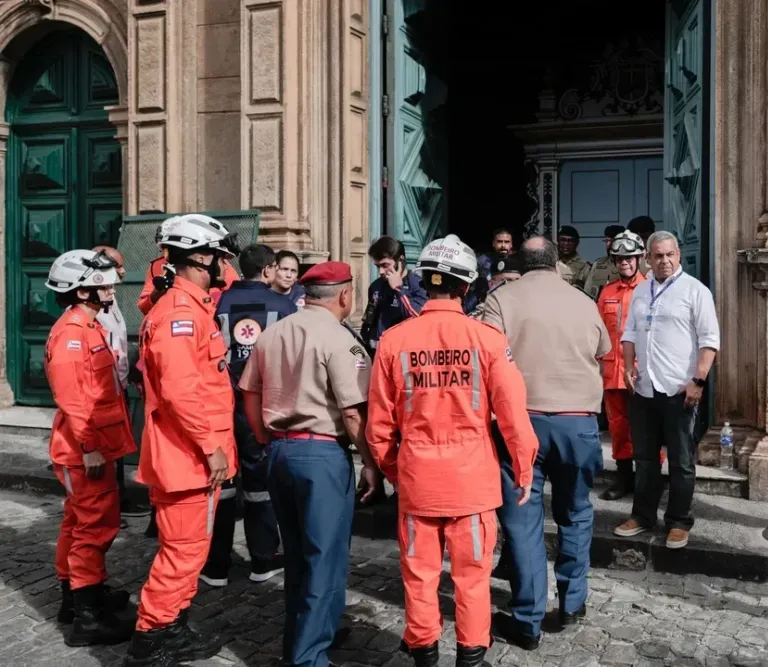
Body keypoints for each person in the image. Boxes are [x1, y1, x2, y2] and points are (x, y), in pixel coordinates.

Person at [367, 235, 539, 667]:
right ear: (467, 287)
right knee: (472, 578)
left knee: (420, 575)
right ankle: (471, 656)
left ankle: (424, 653)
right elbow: (514, 414)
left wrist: (395, 470)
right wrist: (523, 467)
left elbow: (379, 426)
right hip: (473, 482)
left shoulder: (393, 341)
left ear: (425, 280)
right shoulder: (487, 338)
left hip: (418, 479)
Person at [239, 261, 380, 667]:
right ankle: (307, 657)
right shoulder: (341, 340)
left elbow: (248, 392)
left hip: (280, 451)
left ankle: (318, 628)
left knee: (300, 553)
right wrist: (370, 463)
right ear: (344, 295)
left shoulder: (273, 332)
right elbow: (352, 413)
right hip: (322, 454)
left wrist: (264, 436)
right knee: (325, 556)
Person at [479, 236, 610, 649]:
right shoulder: (583, 301)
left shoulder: (501, 300)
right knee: (576, 511)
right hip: (577, 423)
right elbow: (603, 350)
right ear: (556, 263)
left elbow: (485, 356)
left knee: (522, 522)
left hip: (522, 423)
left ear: (521, 261)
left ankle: (527, 618)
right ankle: (573, 602)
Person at [123, 214, 239, 667]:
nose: (225, 266)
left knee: (191, 548)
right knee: (183, 550)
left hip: (195, 455)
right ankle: (151, 638)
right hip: (187, 455)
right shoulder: (179, 316)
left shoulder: (191, 308)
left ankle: (172, 622)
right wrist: (211, 445)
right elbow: (180, 392)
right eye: (219, 257)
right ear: (199, 257)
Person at [44, 249, 135, 647]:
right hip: (84, 450)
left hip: (93, 444)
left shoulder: (89, 325)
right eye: (104, 282)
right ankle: (88, 617)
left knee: (77, 523)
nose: (112, 286)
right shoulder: (72, 335)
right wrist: (89, 446)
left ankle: (79, 595)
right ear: (82, 292)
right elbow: (73, 399)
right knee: (94, 529)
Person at [613, 231, 720, 549]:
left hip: (679, 389)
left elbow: (709, 340)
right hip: (644, 389)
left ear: (678, 255)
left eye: (669, 254)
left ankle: (678, 521)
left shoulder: (695, 291)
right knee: (645, 459)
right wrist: (628, 365)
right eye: (657, 255)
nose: (664, 260)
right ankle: (643, 516)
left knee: (681, 461)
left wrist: (698, 381)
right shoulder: (642, 291)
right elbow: (630, 331)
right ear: (648, 257)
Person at [199, 244, 295, 588]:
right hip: (262, 407)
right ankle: (262, 560)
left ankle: (215, 567)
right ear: (268, 269)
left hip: (222, 405)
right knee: (259, 486)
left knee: (222, 484)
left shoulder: (218, 303)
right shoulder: (284, 306)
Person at [92, 245, 150, 526]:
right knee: (106, 451)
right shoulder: (91, 304)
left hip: (118, 386)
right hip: (104, 390)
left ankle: (117, 501)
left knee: (115, 450)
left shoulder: (110, 299)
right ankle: (107, 508)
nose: (125, 271)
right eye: (117, 266)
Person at [595, 231, 655, 500]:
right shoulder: (607, 292)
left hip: (643, 374)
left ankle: (649, 481)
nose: (624, 263)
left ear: (640, 258)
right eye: (619, 259)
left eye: (629, 258)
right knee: (618, 429)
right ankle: (623, 479)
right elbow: (597, 333)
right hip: (612, 373)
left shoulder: (652, 290)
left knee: (647, 428)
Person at [136, 215, 240, 315]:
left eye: (172, 248)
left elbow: (234, 297)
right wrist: (159, 292)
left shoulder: (216, 264)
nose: (169, 253)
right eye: (167, 248)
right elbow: (144, 307)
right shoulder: (157, 266)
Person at [359, 236, 428, 353]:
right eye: (377, 266)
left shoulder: (418, 285)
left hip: (404, 354)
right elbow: (368, 321)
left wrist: (399, 289)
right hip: (378, 354)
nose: (381, 272)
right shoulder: (376, 286)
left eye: (385, 265)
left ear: (400, 261)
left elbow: (418, 317)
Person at [583, 225, 626, 298]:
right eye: (606, 241)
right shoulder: (598, 264)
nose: (608, 245)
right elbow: (587, 291)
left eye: (612, 241)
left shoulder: (629, 265)